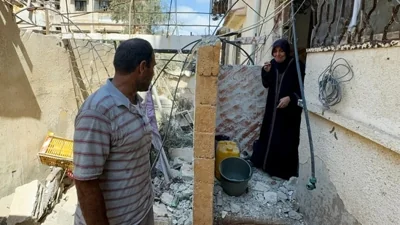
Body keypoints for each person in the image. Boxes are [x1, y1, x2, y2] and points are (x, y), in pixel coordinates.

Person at [72, 38, 156, 225]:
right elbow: (85, 183)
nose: (153, 73)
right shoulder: (97, 112)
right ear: (142, 67)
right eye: (153, 67)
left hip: (141, 213)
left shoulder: (135, 102)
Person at [250, 39, 305, 180]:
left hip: (289, 113)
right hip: (272, 109)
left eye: (281, 51)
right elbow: (267, 84)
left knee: (285, 139)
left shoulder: (297, 66)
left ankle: (282, 172)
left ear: (286, 52)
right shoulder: (272, 64)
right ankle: (265, 165)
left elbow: (304, 87)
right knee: (268, 135)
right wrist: (266, 72)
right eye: (275, 51)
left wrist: (290, 98)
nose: (278, 54)